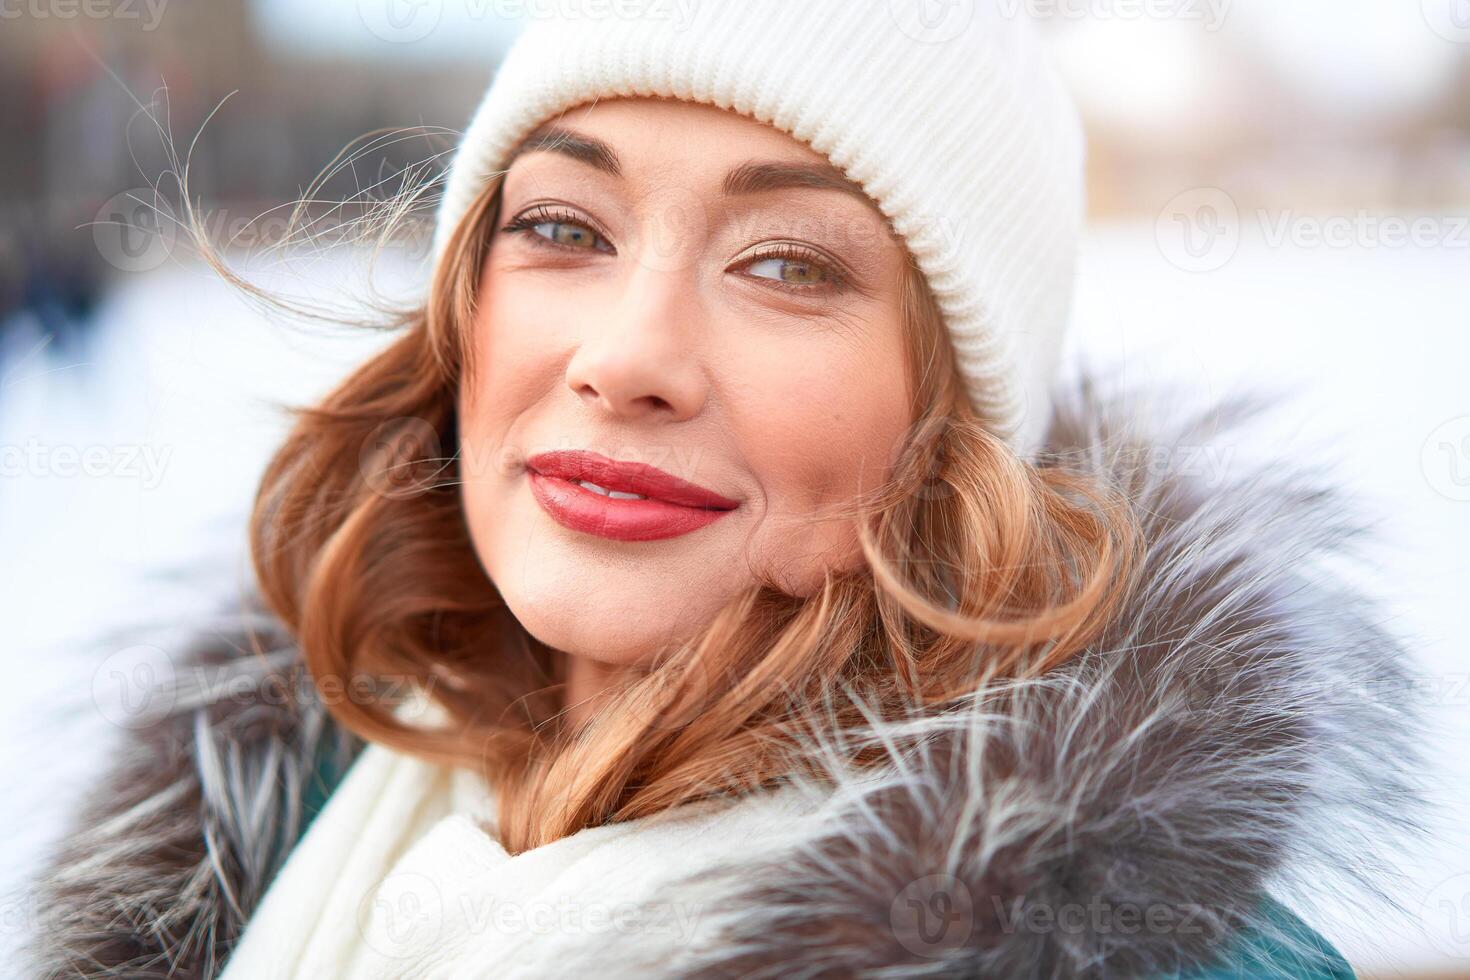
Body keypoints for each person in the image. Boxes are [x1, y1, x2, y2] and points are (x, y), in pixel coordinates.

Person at [29, 3, 1419, 977]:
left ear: (945, 428)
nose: (628, 358)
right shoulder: (283, 820)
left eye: (787, 265)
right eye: (562, 229)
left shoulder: (1146, 960)